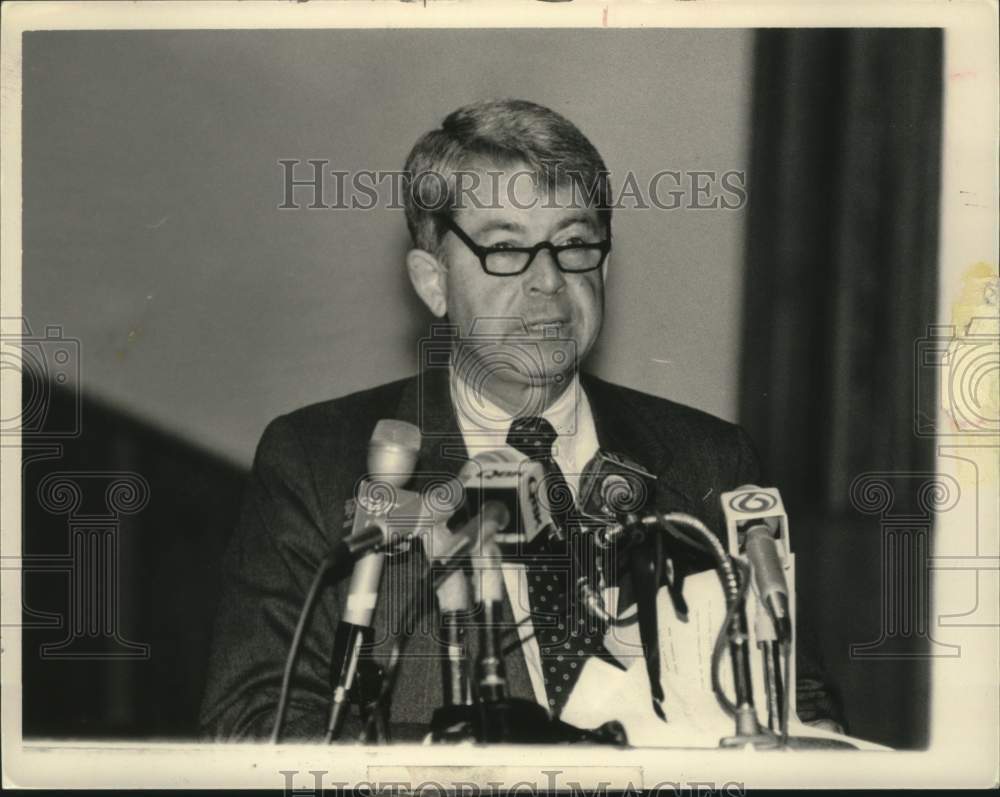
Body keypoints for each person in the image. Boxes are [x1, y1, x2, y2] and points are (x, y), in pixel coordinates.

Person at [199, 98, 844, 741]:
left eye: (574, 243)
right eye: (506, 249)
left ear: (605, 264)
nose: (549, 281)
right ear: (433, 283)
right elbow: (253, 728)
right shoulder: (317, 462)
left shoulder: (709, 459)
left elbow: (799, 709)